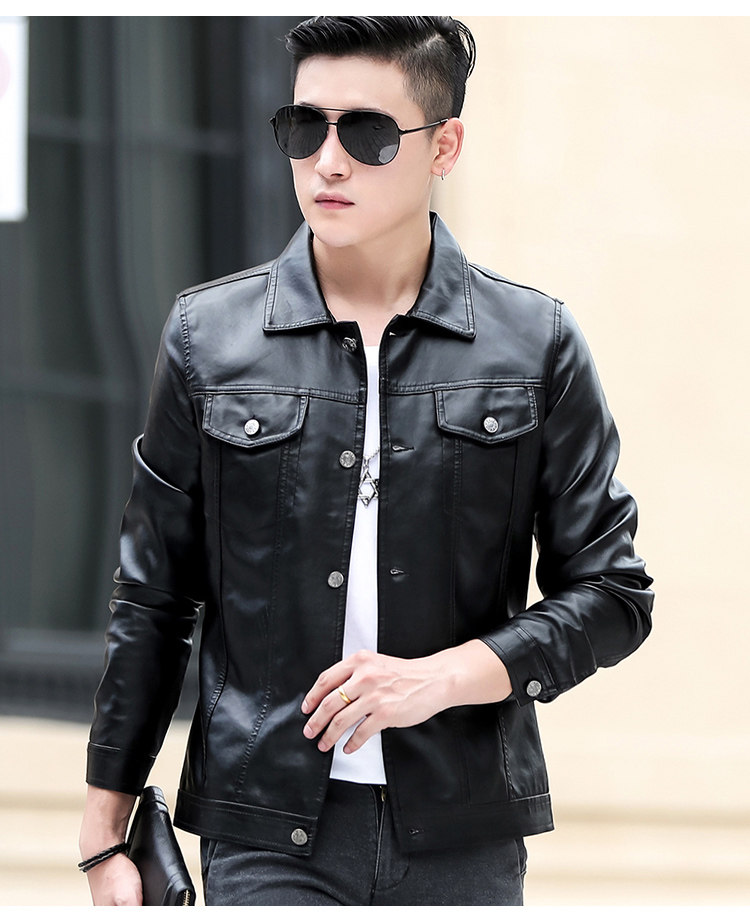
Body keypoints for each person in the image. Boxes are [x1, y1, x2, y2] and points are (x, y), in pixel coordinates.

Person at [79, 16, 653, 906]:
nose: (329, 162)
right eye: (303, 128)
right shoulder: (207, 338)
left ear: (444, 145)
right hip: (264, 834)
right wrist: (103, 833)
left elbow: (613, 594)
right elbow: (154, 596)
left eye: (368, 133)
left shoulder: (534, 343)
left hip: (462, 835)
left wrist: (441, 678)